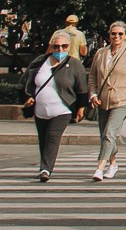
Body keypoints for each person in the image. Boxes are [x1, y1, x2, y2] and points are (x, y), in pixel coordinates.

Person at [24, 31, 89, 182]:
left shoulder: (74, 64)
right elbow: (27, 81)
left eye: (64, 46)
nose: (60, 50)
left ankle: (46, 169)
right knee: (43, 139)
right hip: (40, 110)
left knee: (52, 137)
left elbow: (82, 88)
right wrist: (28, 97)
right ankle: (44, 165)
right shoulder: (40, 61)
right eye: (56, 46)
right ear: (51, 47)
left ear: (69, 47)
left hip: (62, 110)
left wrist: (81, 108)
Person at [86, 22, 126, 182]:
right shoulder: (100, 53)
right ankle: (113, 163)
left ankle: (100, 167)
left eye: (120, 34)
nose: (116, 37)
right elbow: (92, 76)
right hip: (103, 99)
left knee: (110, 132)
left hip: (123, 98)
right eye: (113, 34)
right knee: (104, 134)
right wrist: (93, 94)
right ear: (109, 35)